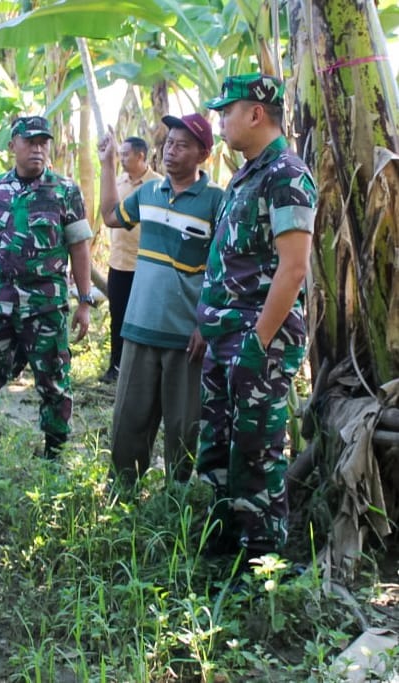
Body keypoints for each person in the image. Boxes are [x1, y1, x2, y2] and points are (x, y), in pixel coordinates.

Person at [197, 74, 317, 560]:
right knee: (220, 442)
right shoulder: (247, 174)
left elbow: (293, 269)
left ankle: (262, 561)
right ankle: (227, 541)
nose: (220, 121)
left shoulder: (286, 174)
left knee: (256, 450)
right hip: (227, 335)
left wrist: (257, 342)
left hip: (258, 339)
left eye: (227, 111)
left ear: (255, 113)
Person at [0, 115, 93, 478]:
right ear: (13, 145)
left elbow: (79, 247)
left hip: (46, 306)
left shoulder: (64, 191)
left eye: (43, 142)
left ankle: (55, 457)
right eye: (30, 141)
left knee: (54, 382)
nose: (38, 148)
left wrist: (85, 300)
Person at [97, 113, 224, 488]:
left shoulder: (217, 200)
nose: (171, 151)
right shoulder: (149, 193)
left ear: (203, 154)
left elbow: (223, 266)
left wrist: (205, 322)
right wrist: (105, 166)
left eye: (183, 145)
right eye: (169, 142)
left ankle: (177, 502)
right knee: (129, 421)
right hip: (139, 326)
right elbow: (109, 217)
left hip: (186, 335)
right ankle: (122, 496)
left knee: (183, 429)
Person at [101, 136, 162, 384]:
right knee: (118, 316)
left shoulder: (158, 185)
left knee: (145, 318)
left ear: (140, 156)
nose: (121, 158)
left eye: (125, 154)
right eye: (120, 154)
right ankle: (115, 366)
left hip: (146, 265)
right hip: (119, 263)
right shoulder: (117, 183)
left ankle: (144, 371)